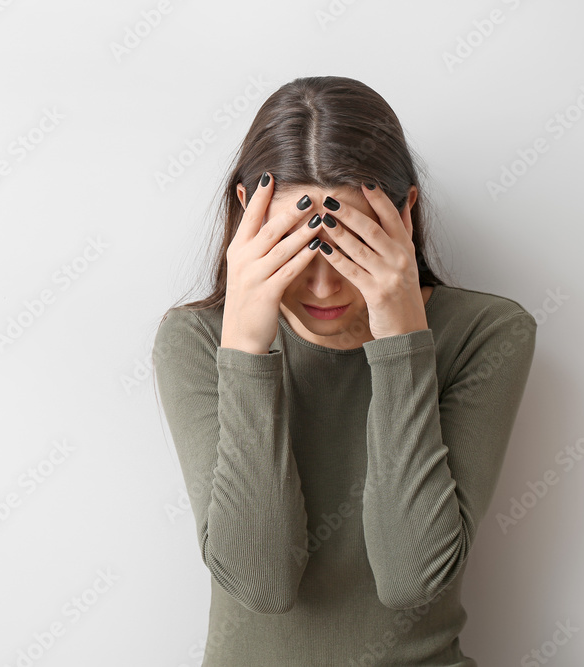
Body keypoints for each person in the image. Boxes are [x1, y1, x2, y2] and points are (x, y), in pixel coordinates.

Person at [152, 75, 537, 666]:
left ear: (404, 213)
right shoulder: (197, 340)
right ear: (248, 213)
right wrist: (247, 352)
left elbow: (412, 579)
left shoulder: (486, 333)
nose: (324, 285)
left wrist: (403, 341)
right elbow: (262, 584)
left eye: (351, 242)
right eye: (293, 243)